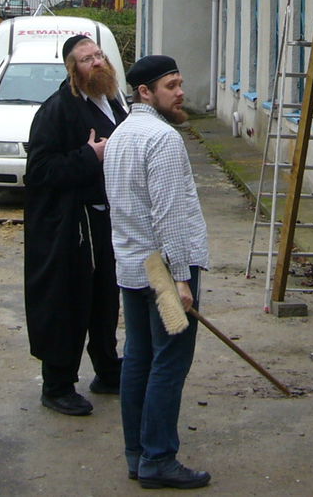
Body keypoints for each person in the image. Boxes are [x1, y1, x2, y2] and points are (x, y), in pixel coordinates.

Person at [104, 55, 211, 490]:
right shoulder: (162, 139)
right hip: (165, 273)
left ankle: (138, 454)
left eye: (180, 83)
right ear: (145, 92)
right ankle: (158, 458)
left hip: (135, 266)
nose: (180, 92)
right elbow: (168, 216)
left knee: (139, 360)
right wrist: (182, 280)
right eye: (171, 85)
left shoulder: (120, 135)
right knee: (168, 363)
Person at [23, 34, 127, 415]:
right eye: (86, 59)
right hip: (67, 228)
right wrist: (89, 155)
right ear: (72, 69)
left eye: (98, 55)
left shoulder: (113, 100)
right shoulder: (57, 110)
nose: (96, 62)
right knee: (66, 302)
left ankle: (107, 369)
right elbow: (38, 171)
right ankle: (57, 384)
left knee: (104, 297)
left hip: (104, 222)